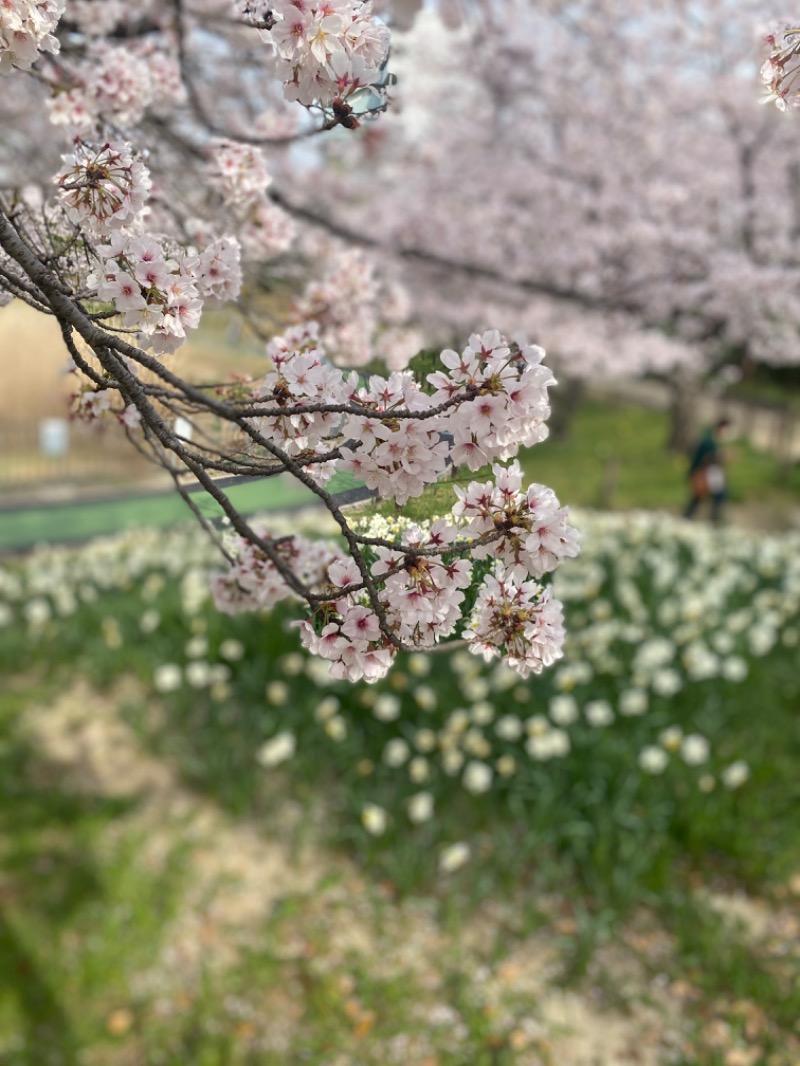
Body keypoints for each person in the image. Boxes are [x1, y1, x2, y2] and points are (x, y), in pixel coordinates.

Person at [683, 418, 731, 524]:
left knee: (699, 497)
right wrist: (723, 456)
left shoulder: (712, 440)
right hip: (704, 473)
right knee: (714, 495)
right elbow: (708, 458)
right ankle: (712, 520)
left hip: (707, 472)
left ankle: (688, 517)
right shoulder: (709, 441)